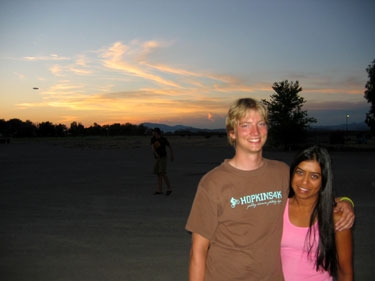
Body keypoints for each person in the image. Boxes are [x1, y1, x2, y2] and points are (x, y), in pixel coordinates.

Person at [185, 98, 354, 281]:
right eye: (246, 125)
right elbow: (198, 251)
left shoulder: (281, 173)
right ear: (232, 133)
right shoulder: (212, 182)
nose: (255, 132)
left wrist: (345, 202)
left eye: (261, 123)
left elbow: (310, 192)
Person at [281, 145, 353, 281]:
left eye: (314, 176)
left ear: (323, 180)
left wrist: (346, 202)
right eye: (300, 172)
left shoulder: (337, 218)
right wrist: (347, 200)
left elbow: (345, 272)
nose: (304, 182)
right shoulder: (278, 206)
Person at [150, 127, 174, 195]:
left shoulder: (163, 139)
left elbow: (170, 146)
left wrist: (172, 155)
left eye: (153, 131)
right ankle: (160, 190)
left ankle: (169, 188)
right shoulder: (153, 139)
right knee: (158, 174)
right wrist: (156, 154)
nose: (152, 133)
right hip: (157, 158)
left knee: (163, 173)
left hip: (163, 158)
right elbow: (152, 148)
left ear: (156, 132)